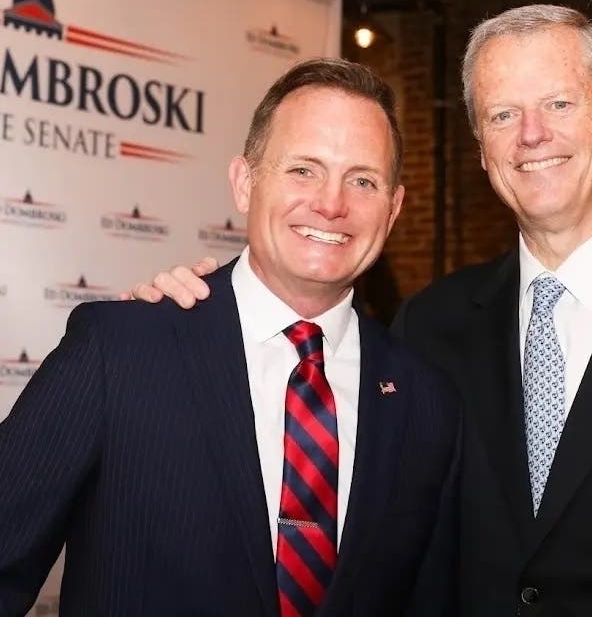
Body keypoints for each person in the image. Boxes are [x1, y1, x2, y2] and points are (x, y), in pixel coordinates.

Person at [131, 4, 592, 617]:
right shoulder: (429, 326)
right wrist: (203, 310)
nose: (530, 134)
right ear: (480, 143)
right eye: (502, 114)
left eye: (558, 104)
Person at [0, 59, 460, 617]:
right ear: (245, 183)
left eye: (363, 180)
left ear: (393, 210)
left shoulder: (426, 401)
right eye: (303, 170)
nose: (332, 203)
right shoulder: (118, 350)